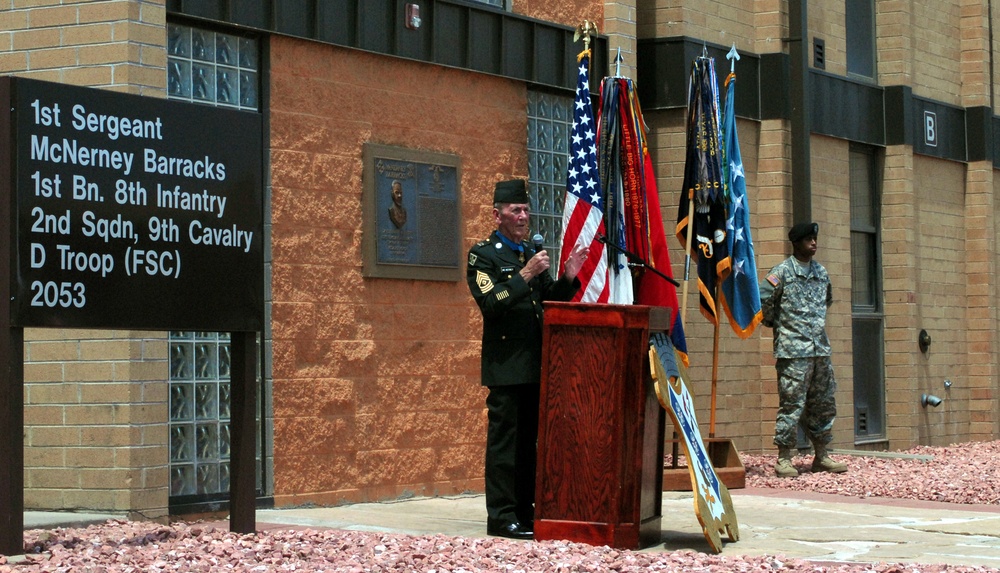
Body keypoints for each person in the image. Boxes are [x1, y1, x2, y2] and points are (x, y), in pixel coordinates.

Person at [466, 178, 588, 540]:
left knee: (529, 445)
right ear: (497, 214)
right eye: (515, 210)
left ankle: (525, 511)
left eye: (525, 210)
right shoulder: (484, 255)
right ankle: (501, 517)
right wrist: (527, 274)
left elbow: (550, 300)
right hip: (506, 367)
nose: (523, 216)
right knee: (505, 446)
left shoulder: (526, 253)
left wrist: (567, 276)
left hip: (536, 365)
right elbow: (491, 304)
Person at [759, 222, 848, 478]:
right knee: (791, 404)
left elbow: (826, 302)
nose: (814, 243)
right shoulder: (781, 273)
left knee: (823, 403)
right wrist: (780, 326)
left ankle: (822, 455)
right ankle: (784, 458)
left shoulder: (821, 273)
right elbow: (764, 301)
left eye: (815, 239)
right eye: (808, 239)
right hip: (792, 352)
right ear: (796, 243)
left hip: (819, 350)